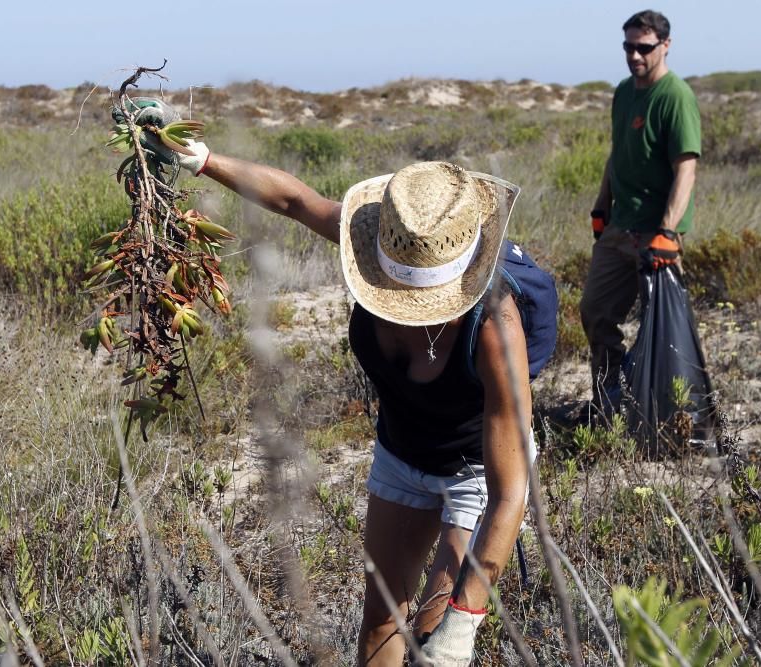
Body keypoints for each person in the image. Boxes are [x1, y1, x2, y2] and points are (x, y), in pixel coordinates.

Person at [120, 98, 555, 665]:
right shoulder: (378, 242)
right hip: (401, 455)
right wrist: (200, 159)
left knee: (431, 633)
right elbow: (294, 200)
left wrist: (466, 622)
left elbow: (509, 493)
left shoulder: (497, 329)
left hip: (476, 475)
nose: (408, 308)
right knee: (380, 625)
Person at [580, 9, 702, 419]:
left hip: (655, 236)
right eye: (629, 47)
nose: (635, 56)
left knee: (663, 329)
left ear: (665, 45)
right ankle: (609, 400)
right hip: (619, 229)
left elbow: (686, 167)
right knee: (595, 312)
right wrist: (602, 204)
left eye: (644, 48)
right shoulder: (623, 92)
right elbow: (617, 154)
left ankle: (668, 414)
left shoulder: (676, 97)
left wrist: (667, 231)